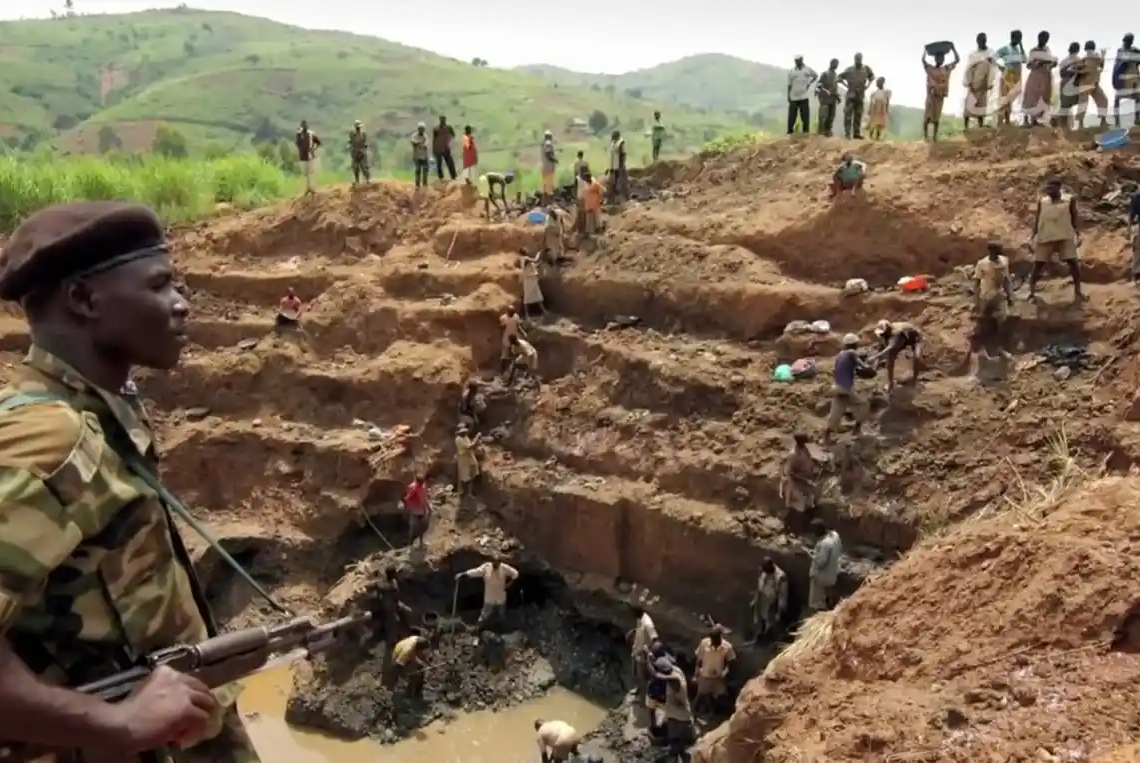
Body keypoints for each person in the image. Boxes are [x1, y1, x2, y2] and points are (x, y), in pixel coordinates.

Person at [0, 201, 261, 761]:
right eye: (159, 284)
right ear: (84, 299)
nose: (182, 303)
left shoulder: (99, 408)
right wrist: (116, 725)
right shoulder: (52, 439)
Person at [1029, 177, 1082, 301]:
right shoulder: (1042, 201)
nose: (1049, 191)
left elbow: (1074, 217)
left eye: (1051, 189)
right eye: (1047, 189)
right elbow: (1038, 219)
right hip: (1045, 236)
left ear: (1059, 188)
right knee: (1037, 265)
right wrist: (1032, 237)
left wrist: (1078, 234)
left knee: (1073, 264)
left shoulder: (1069, 200)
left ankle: (1078, 292)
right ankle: (1031, 293)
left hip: (1064, 236)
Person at [968, 242, 1014, 378]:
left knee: (1003, 321)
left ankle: (1000, 348)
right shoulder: (982, 264)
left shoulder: (1004, 261)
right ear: (989, 251)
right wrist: (976, 301)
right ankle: (980, 350)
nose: (997, 254)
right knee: (983, 322)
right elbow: (977, 283)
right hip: (986, 295)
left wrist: (1010, 295)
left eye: (998, 252)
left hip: (999, 296)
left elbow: (1006, 279)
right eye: (995, 252)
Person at [823, 333, 873, 446]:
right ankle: (857, 429)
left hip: (836, 387)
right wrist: (869, 366)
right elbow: (863, 366)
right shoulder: (852, 352)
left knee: (836, 412)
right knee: (864, 405)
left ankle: (826, 438)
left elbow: (842, 369)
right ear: (854, 344)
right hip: (845, 388)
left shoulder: (840, 355)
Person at [649, 657, 694, 762]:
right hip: (675, 714)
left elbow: (657, 675)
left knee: (675, 741)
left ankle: (674, 757)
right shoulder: (676, 669)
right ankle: (683, 757)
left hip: (680, 717)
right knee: (676, 740)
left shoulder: (675, 680)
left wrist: (648, 663)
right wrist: (650, 659)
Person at [457, 557, 519, 630]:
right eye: (493, 561)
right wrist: (464, 574)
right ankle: (478, 628)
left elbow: (515, 574)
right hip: (489, 596)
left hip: (500, 596)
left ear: (499, 562)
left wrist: (508, 585)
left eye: (497, 562)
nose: (494, 564)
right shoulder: (486, 567)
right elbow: (476, 571)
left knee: (501, 614)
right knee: (484, 614)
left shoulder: (504, 568)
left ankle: (501, 629)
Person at [693, 625, 735, 716]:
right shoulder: (704, 643)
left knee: (722, 697)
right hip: (704, 676)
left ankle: (719, 714)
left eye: (716, 640)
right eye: (713, 640)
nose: (714, 643)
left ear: (720, 637)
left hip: (718, 678)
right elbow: (699, 659)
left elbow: (730, 662)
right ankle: (693, 714)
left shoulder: (727, 647)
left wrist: (725, 672)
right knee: (700, 696)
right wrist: (696, 673)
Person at [871, 319, 922, 391]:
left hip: (914, 338)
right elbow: (881, 348)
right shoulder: (884, 335)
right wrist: (874, 367)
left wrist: (875, 356)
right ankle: (890, 383)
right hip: (901, 341)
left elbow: (890, 346)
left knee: (917, 357)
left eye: (884, 333)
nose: (882, 335)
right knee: (890, 361)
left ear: (888, 330)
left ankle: (915, 378)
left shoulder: (896, 332)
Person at [922, 44, 959, 141]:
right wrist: (925, 51)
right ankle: (925, 137)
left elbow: (957, 60)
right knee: (927, 117)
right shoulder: (930, 69)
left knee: (936, 117)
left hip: (939, 97)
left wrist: (953, 48)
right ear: (935, 59)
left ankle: (934, 137)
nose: (940, 59)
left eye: (942, 58)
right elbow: (923, 61)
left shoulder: (946, 68)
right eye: (938, 58)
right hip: (931, 97)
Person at [750, 557, 789, 642]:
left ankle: (769, 639)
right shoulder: (763, 571)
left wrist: (779, 613)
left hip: (771, 603)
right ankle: (758, 637)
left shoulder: (781, 577)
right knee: (758, 620)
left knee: (770, 622)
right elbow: (759, 587)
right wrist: (755, 600)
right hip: (761, 599)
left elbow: (782, 596)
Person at [779, 432, 819, 515]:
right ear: (799, 442)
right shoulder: (793, 455)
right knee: (801, 504)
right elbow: (790, 472)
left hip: (806, 478)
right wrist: (806, 479)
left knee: (813, 496)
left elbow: (808, 459)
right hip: (796, 482)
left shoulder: (804, 448)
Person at [1023, 31, 1057, 126]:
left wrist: (1053, 64)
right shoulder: (1034, 51)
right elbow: (1028, 65)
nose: (1044, 40)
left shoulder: (1048, 50)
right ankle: (1028, 120)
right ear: (1038, 38)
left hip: (1046, 76)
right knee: (1032, 97)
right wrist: (1039, 63)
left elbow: (1051, 62)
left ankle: (1038, 120)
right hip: (1036, 76)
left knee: (1044, 97)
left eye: (1046, 39)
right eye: (1042, 38)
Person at [995, 30, 1028, 126]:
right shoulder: (1006, 49)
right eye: (1018, 39)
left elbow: (1025, 60)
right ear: (1012, 38)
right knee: (1004, 97)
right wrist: (1000, 67)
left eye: (1020, 39)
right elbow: (992, 58)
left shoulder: (1018, 50)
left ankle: (1007, 120)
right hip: (1008, 75)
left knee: (1010, 98)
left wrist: (1021, 46)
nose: (1019, 41)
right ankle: (1001, 121)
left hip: (1016, 77)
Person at [838, 53, 875, 139]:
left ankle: (856, 133)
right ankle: (847, 133)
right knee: (848, 114)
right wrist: (846, 85)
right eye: (856, 59)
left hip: (860, 95)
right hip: (851, 95)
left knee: (858, 114)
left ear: (861, 59)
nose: (858, 60)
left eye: (859, 58)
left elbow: (872, 77)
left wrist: (868, 85)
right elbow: (839, 77)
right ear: (854, 59)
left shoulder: (866, 69)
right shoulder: (849, 70)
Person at [808, 521, 842, 613]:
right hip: (832, 573)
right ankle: (829, 604)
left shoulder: (824, 544)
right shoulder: (835, 536)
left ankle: (821, 613)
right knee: (826, 596)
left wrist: (810, 555)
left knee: (817, 602)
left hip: (821, 577)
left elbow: (821, 563)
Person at [963, 33, 995, 129]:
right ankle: (966, 127)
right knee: (969, 104)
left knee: (982, 104)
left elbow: (993, 68)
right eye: (980, 40)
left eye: (984, 40)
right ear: (977, 41)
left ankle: (980, 126)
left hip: (984, 83)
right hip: (973, 83)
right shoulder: (973, 55)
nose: (982, 42)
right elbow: (968, 69)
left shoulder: (990, 53)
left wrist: (990, 82)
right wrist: (969, 83)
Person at [1076, 41, 1109, 129]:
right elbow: (1101, 65)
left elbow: (1100, 66)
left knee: (1101, 100)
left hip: (1091, 83)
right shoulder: (1091, 57)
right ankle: (1081, 124)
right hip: (1088, 83)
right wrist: (1103, 55)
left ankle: (1102, 122)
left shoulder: (1085, 58)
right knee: (1100, 100)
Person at [627, 605, 658, 697]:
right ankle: (636, 688)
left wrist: (648, 650)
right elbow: (640, 629)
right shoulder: (639, 618)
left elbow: (654, 638)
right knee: (635, 671)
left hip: (642, 653)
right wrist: (633, 631)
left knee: (641, 674)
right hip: (636, 649)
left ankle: (641, 693)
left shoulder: (647, 623)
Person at [1113, 34, 1140, 127]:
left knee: (1138, 98)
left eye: (1130, 41)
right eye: (1127, 41)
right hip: (1123, 82)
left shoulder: (1135, 50)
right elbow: (1121, 62)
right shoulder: (1120, 51)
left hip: (1133, 81)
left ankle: (1137, 119)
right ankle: (1117, 123)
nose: (1129, 43)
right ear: (1124, 41)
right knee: (1117, 99)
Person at [787, 55, 817, 134]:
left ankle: (805, 133)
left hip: (804, 96)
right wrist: (788, 96)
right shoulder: (792, 71)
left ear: (801, 60)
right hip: (793, 97)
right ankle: (790, 132)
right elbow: (789, 85)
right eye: (795, 61)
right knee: (792, 116)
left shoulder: (807, 69)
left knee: (805, 116)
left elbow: (815, 76)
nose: (796, 62)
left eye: (798, 60)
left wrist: (809, 83)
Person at [1056, 43, 1083, 129]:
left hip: (1064, 83)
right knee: (1080, 102)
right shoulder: (1079, 60)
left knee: (1064, 106)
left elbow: (1061, 74)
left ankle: (1062, 125)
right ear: (1078, 50)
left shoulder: (1064, 61)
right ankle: (1080, 125)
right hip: (1074, 83)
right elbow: (1081, 74)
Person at [402, 474, 430, 546]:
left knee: (421, 527)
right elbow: (408, 499)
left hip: (421, 510)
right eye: (420, 483)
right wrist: (406, 509)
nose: (421, 484)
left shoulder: (423, 487)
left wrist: (427, 507)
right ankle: (409, 543)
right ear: (417, 481)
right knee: (413, 527)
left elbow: (424, 498)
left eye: (422, 482)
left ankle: (421, 542)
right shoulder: (412, 488)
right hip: (414, 511)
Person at [816, 58, 841, 136]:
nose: (836, 66)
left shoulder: (836, 75)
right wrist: (821, 95)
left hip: (833, 98)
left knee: (831, 115)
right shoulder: (825, 74)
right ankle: (821, 131)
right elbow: (819, 85)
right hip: (825, 98)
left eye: (837, 64)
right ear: (831, 63)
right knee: (823, 115)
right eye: (835, 64)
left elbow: (835, 87)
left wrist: (838, 97)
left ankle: (828, 130)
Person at [454, 424, 481, 496]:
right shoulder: (458, 439)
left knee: (474, 472)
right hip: (464, 458)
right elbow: (470, 446)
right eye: (463, 432)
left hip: (470, 456)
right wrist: (477, 438)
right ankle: (465, 492)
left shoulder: (465, 437)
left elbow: (471, 445)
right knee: (465, 476)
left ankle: (470, 490)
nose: (465, 433)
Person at [295, 120, 321, 194]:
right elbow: (298, 144)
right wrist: (298, 135)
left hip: (310, 156)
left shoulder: (311, 134)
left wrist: (313, 148)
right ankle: (308, 187)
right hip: (302, 157)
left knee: (311, 172)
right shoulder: (299, 135)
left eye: (305, 126)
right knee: (305, 173)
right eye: (303, 126)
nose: (304, 127)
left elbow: (318, 142)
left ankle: (312, 188)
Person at [499, 307, 525, 373]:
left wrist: (523, 332)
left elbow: (518, 326)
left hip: (515, 336)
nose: (512, 314)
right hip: (507, 337)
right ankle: (502, 369)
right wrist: (502, 336)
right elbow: (501, 328)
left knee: (517, 352)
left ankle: (517, 368)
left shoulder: (516, 316)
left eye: (513, 313)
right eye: (511, 312)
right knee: (505, 353)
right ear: (508, 312)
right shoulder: (503, 318)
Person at [432, 115, 457, 181]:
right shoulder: (436, 129)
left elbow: (453, 135)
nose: (442, 121)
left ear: (445, 120)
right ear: (439, 120)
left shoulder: (449, 127)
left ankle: (453, 176)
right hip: (438, 149)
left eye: (444, 119)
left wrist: (449, 141)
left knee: (450, 163)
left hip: (446, 148)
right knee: (439, 164)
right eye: (441, 119)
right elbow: (434, 139)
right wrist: (434, 149)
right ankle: (441, 178)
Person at [520, 250, 544, 318]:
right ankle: (527, 314)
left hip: (533, 280)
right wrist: (538, 253)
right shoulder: (525, 258)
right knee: (527, 298)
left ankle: (544, 310)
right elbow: (535, 260)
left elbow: (534, 266)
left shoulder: (527, 260)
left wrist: (540, 263)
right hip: (528, 281)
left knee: (537, 295)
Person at [581, 170, 604, 237]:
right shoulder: (585, 185)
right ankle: (590, 233)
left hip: (595, 203)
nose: (586, 179)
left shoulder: (595, 184)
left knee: (597, 218)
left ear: (589, 177)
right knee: (589, 219)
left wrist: (601, 200)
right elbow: (584, 195)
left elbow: (601, 191)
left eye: (586, 178)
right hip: (588, 204)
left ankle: (599, 232)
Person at [348, 120, 370, 185]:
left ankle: (367, 180)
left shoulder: (363, 134)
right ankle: (357, 181)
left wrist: (363, 149)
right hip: (355, 153)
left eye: (359, 127)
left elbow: (366, 143)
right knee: (355, 168)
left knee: (364, 167)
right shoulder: (352, 134)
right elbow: (350, 142)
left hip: (362, 153)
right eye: (357, 127)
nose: (358, 128)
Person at [608, 130, 627, 201]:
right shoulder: (613, 143)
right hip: (614, 164)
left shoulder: (621, 143)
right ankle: (615, 193)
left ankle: (623, 194)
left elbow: (623, 154)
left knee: (621, 179)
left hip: (619, 164)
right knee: (615, 179)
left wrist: (622, 164)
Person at [411, 123, 430, 189]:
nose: (421, 130)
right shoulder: (414, 135)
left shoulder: (425, 136)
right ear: (418, 129)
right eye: (420, 129)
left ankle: (425, 185)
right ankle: (417, 185)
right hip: (417, 157)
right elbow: (413, 142)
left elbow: (425, 145)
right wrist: (420, 142)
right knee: (418, 170)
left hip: (424, 157)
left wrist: (418, 143)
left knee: (425, 171)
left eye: (423, 129)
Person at [540, 130, 557, 200]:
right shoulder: (548, 143)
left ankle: (545, 201)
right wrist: (555, 160)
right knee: (549, 186)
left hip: (544, 166)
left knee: (545, 185)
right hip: (549, 167)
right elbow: (548, 154)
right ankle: (549, 201)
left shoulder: (543, 144)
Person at [1129, 188, 1140, 284]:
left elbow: (1131, 215)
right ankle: (1135, 276)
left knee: (1137, 251)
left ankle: (1135, 276)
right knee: (1137, 251)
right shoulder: (1137, 196)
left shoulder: (1136, 196)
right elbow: (1132, 215)